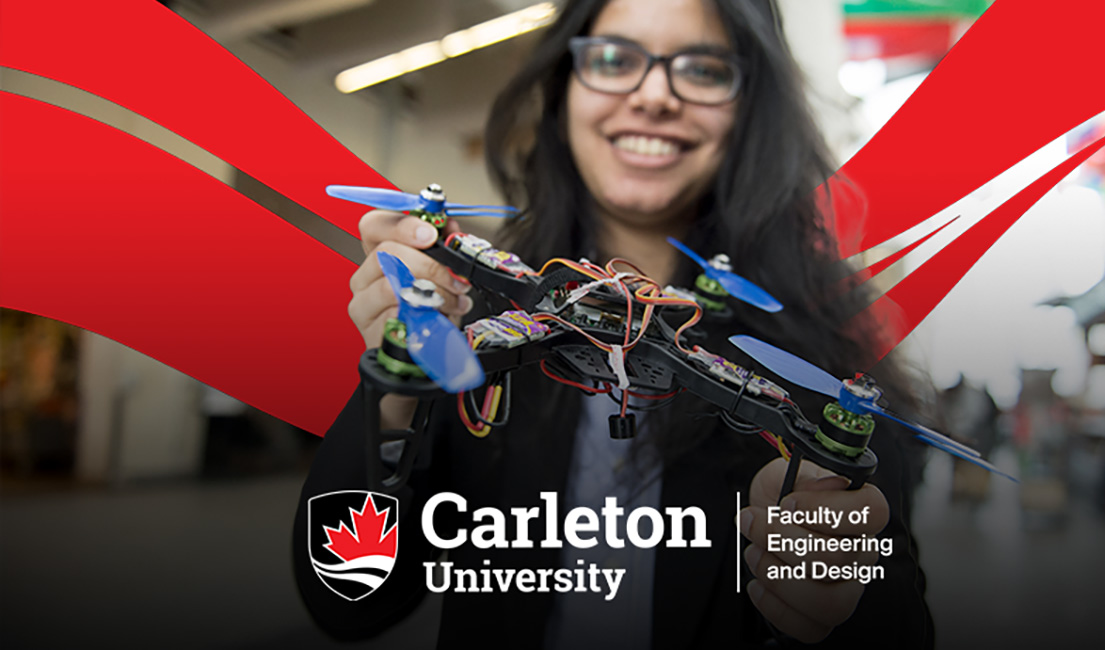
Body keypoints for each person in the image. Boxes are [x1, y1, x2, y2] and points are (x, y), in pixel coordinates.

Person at [293, 0, 933, 647]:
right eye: (613, 59)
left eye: (704, 69)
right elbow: (350, 598)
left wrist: (839, 587)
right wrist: (395, 391)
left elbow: (896, 627)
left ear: (750, 112)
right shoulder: (469, 323)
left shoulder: (820, 365)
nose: (653, 94)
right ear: (563, 91)